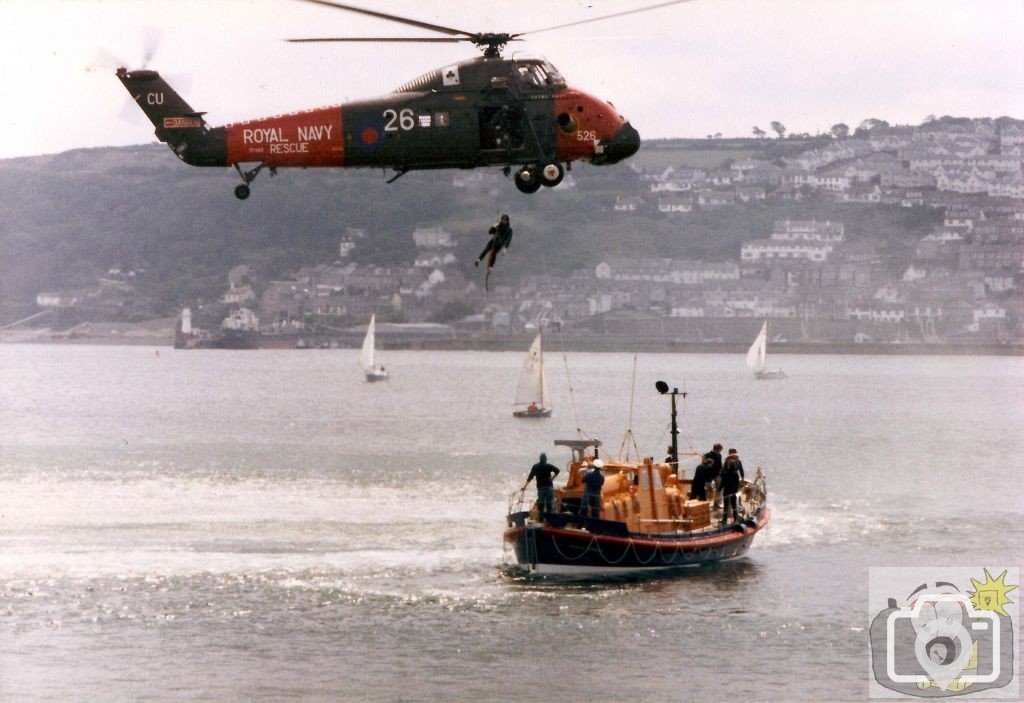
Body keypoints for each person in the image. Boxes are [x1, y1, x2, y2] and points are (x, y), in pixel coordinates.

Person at [720, 448, 746, 524]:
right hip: (731, 484)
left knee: (731, 503)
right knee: (730, 503)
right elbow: (722, 472)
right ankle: (730, 519)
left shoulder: (737, 462)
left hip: (731, 485)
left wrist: (742, 478)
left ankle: (733, 518)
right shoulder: (726, 463)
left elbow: (741, 470)